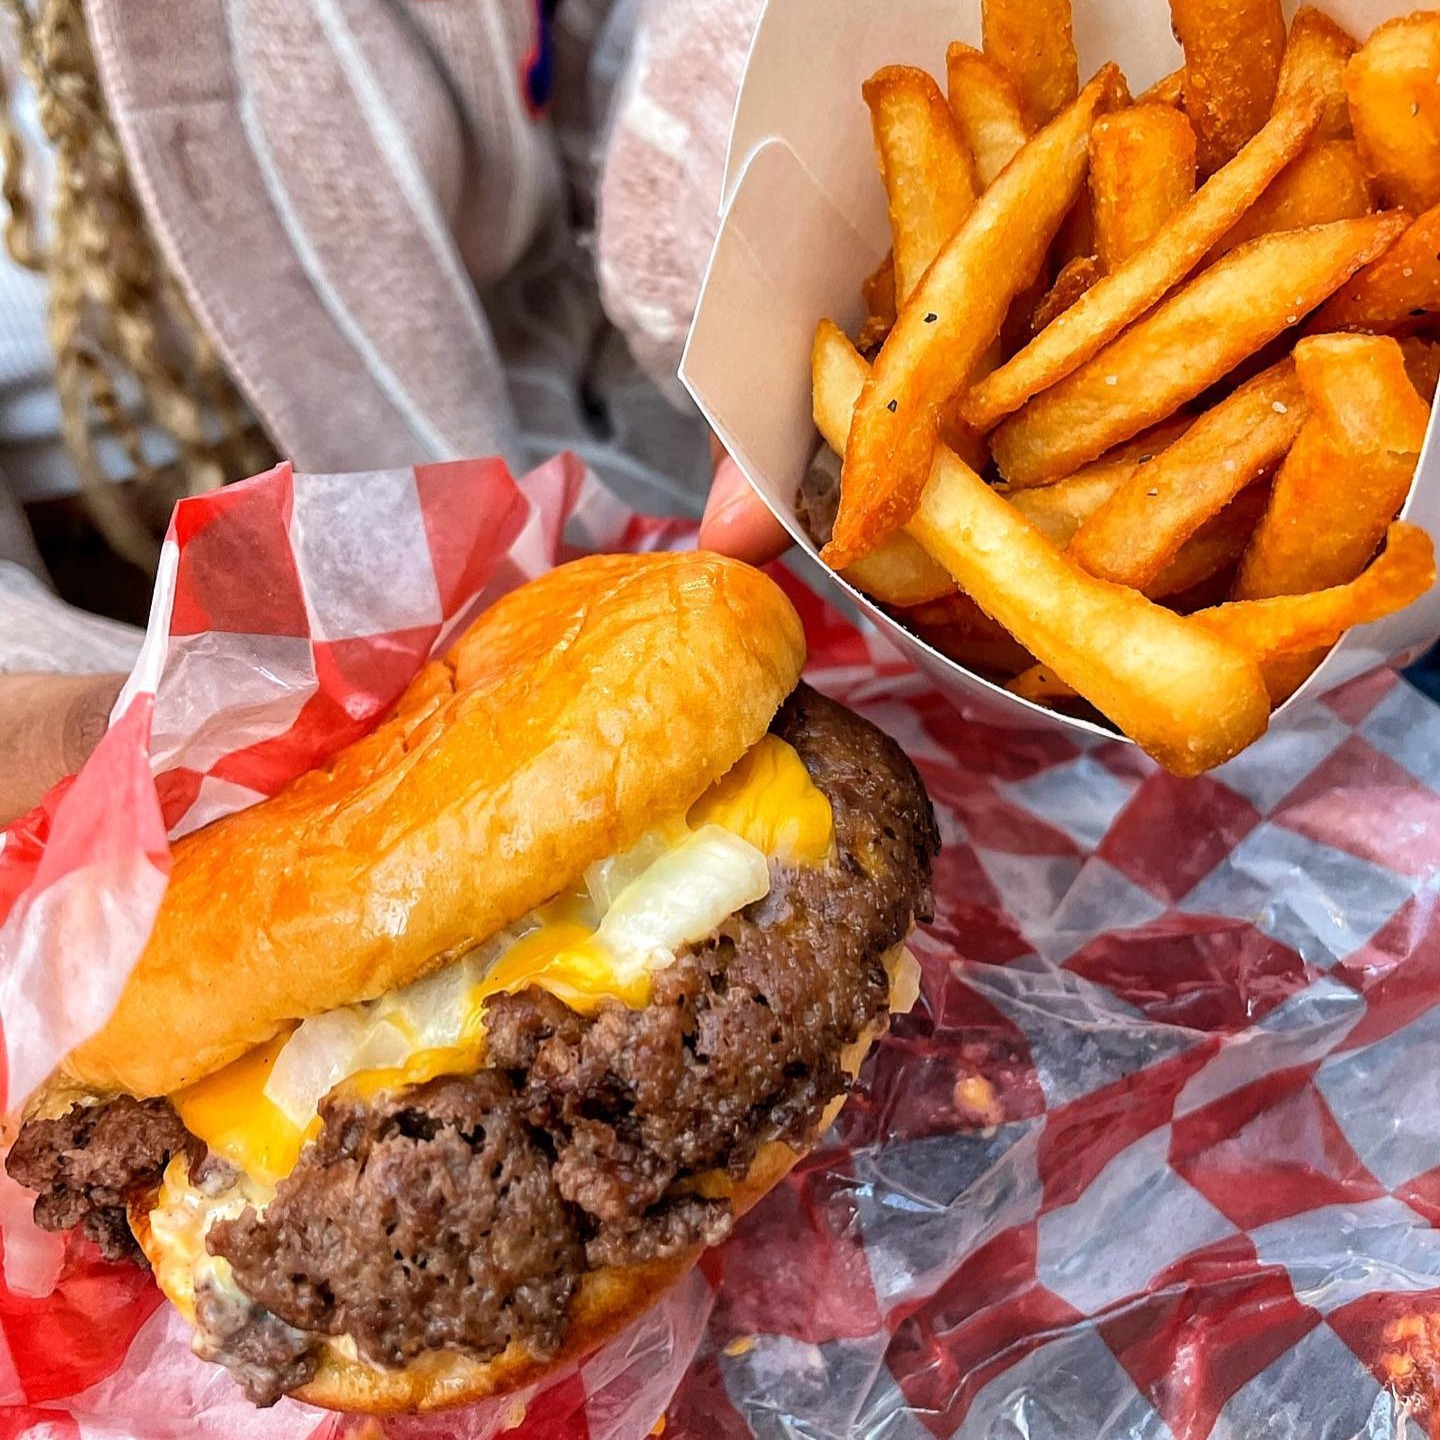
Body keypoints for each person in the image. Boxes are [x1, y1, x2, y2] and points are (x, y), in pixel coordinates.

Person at [0, 0, 787, 825]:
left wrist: (744, 208)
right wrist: (64, 720)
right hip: (86, 622)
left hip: (575, 427)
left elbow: (642, 33)